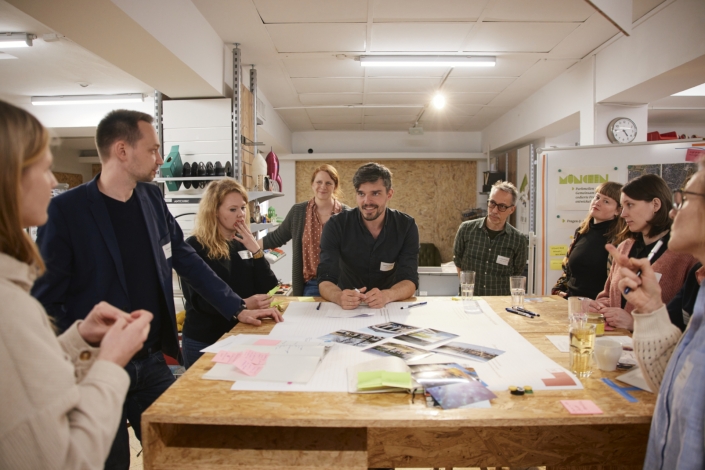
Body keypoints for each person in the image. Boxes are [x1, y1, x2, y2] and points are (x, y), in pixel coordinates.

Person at [31, 109, 281, 469]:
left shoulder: (151, 199)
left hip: (150, 359)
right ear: (122, 150)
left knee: (179, 451)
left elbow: (187, 261)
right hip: (98, 364)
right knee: (110, 461)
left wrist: (236, 306)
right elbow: (45, 299)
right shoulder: (66, 211)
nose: (160, 159)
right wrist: (68, 360)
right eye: (152, 150)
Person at [0, 100, 152, 469]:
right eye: (44, 168)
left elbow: (24, 382)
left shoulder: (151, 200)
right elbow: (66, 460)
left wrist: (79, 339)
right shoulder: (10, 307)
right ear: (10, 178)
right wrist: (110, 362)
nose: (54, 181)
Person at [609, 169, 705, 469]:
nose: (674, 211)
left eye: (685, 199)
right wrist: (650, 310)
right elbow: (673, 385)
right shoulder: (699, 281)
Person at [181, 179, 280, 368]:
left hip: (241, 334)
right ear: (214, 211)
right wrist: (242, 304)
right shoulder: (195, 246)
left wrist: (256, 251)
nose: (241, 214)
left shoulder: (241, 243)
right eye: (233, 209)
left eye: (243, 208)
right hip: (206, 339)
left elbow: (268, 287)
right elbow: (199, 301)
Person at [590, 174, 698, 331]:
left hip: (655, 345)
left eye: (630, 205)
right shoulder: (624, 247)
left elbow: (685, 323)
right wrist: (598, 307)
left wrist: (634, 324)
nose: (623, 214)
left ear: (655, 204)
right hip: (616, 342)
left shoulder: (687, 256)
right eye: (623, 206)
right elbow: (609, 296)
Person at [317, 162, 419, 309]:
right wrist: (339, 297)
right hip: (347, 308)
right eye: (361, 194)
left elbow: (410, 279)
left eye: (375, 193)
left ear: (389, 194)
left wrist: (387, 295)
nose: (367, 201)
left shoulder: (406, 226)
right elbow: (325, 278)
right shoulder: (336, 225)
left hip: (389, 306)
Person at [259, 164, 348, 296]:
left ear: (335, 186)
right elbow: (277, 237)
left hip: (341, 285)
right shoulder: (299, 212)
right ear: (312, 184)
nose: (323, 186)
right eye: (319, 182)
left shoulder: (347, 214)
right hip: (311, 285)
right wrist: (248, 244)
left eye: (328, 183)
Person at [552, 182, 627, 299]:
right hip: (571, 302)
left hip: (599, 305)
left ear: (618, 210)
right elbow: (568, 271)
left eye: (606, 201)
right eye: (597, 197)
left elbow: (619, 283)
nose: (597, 202)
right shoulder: (581, 231)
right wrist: (558, 289)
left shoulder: (620, 240)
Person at [453, 180, 528, 296]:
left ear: (512, 209)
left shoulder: (518, 240)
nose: (494, 210)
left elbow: (516, 273)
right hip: (470, 300)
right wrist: (466, 287)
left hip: (500, 303)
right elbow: (458, 261)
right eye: (492, 203)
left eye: (502, 206)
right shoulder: (466, 230)